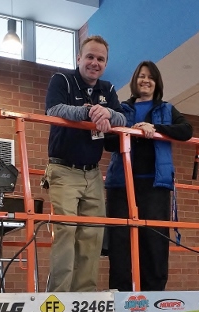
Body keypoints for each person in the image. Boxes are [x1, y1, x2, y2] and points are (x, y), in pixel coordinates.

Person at [44, 35, 126, 292]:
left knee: (93, 235)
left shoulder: (109, 90)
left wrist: (109, 113)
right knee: (66, 232)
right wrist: (90, 113)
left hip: (92, 174)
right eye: (89, 57)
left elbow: (122, 119)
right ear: (79, 58)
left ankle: (84, 297)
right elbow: (53, 110)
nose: (94, 63)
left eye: (100, 59)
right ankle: (59, 298)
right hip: (63, 170)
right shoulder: (62, 80)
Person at [104, 61, 193, 291]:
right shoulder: (122, 109)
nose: (146, 80)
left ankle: (153, 297)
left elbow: (186, 131)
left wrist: (156, 128)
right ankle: (120, 295)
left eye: (151, 77)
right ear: (135, 81)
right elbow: (109, 142)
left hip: (155, 186)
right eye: (142, 76)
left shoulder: (166, 109)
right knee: (120, 242)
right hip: (122, 185)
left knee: (154, 242)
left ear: (157, 83)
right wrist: (133, 131)